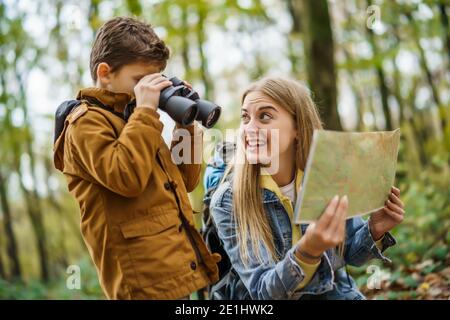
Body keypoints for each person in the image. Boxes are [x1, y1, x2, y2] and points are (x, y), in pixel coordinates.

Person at [53, 16, 220, 299]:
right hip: (141, 286)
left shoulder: (134, 119)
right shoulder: (84, 123)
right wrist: (145, 112)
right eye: (140, 80)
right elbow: (125, 178)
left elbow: (186, 181)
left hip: (176, 271)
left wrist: (185, 123)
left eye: (155, 80)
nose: (149, 90)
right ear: (105, 73)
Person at [208, 77, 404, 299]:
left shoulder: (328, 176)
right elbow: (263, 292)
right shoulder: (228, 201)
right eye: (245, 117)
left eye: (264, 116)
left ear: (298, 128)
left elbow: (349, 253)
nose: (248, 129)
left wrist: (374, 229)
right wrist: (308, 251)